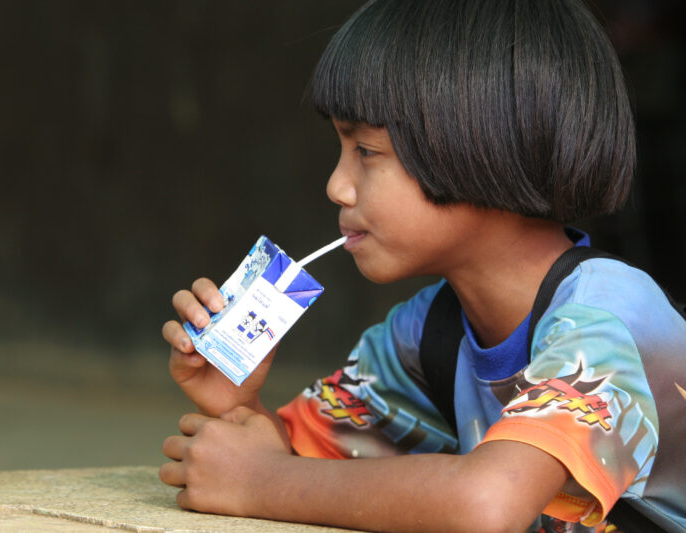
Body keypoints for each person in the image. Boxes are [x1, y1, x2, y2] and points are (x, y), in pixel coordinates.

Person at [159, 0, 686, 531]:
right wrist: (239, 400)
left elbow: (486, 505)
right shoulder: (427, 334)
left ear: (480, 145)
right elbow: (304, 466)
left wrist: (259, 484)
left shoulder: (610, 320)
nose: (336, 185)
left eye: (365, 150)